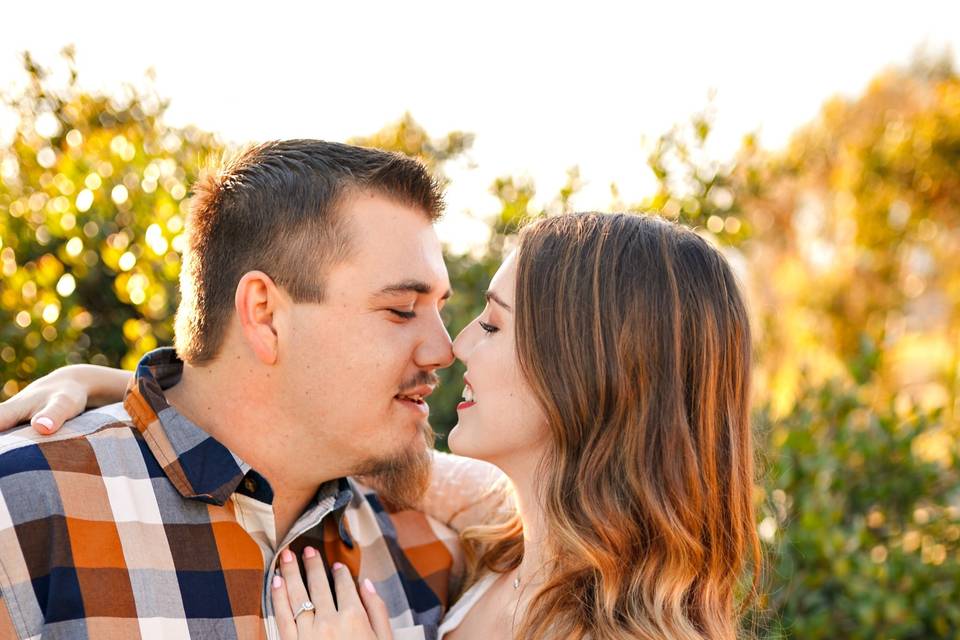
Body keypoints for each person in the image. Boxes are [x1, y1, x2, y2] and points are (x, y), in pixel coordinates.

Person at [3, 211, 761, 639]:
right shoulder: (493, 529)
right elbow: (289, 422)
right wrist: (135, 388)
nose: (453, 347)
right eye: (404, 311)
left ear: (586, 374)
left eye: (491, 327)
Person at [0, 140, 505, 640]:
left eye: (440, 306)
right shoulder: (21, 513)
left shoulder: (436, 554)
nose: (445, 349)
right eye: (401, 308)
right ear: (264, 314)